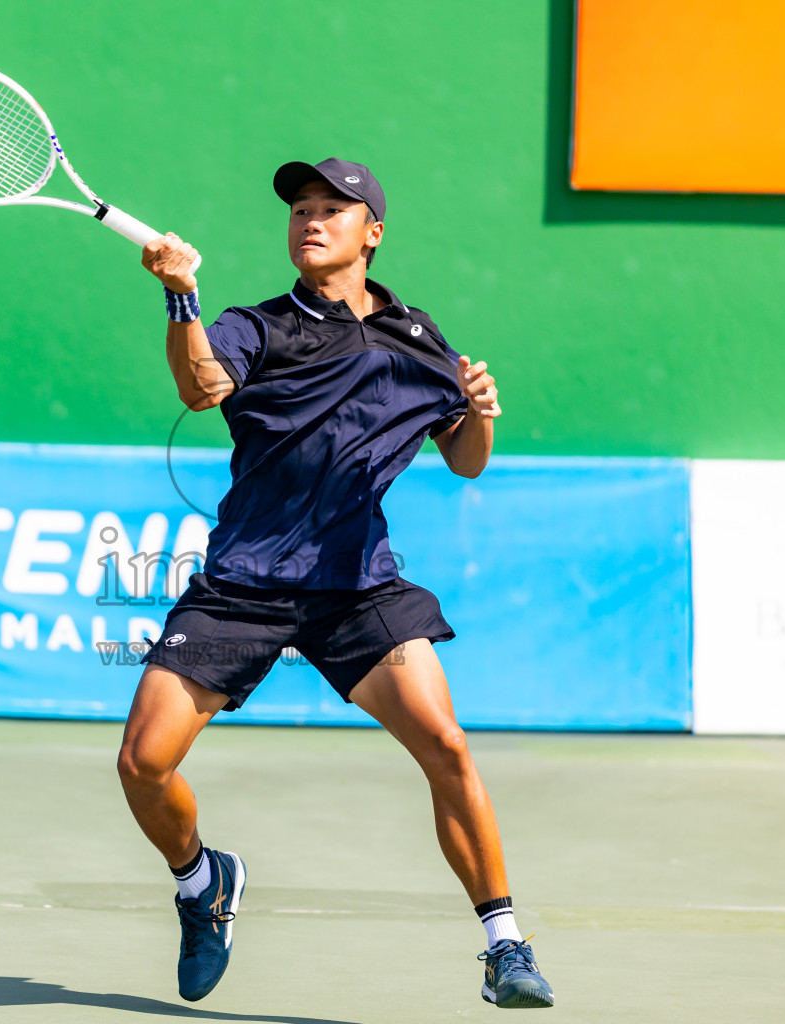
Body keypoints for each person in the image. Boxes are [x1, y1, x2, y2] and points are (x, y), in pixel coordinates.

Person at [118, 158, 554, 1010]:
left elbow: (463, 460)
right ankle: (202, 880)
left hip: (358, 586)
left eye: (330, 209)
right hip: (244, 584)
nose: (309, 222)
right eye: (299, 211)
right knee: (142, 763)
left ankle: (505, 944)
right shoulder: (257, 326)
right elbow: (201, 386)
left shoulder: (419, 339)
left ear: (372, 233)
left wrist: (482, 411)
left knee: (448, 746)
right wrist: (181, 297)